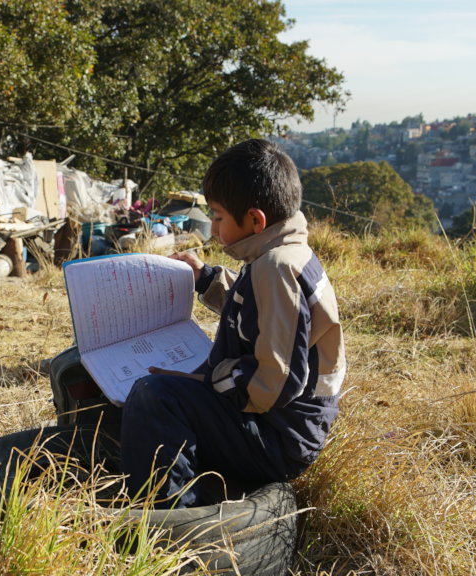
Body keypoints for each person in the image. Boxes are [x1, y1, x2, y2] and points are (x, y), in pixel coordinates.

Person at [119, 139, 346, 508]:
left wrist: (207, 379)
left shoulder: (276, 270)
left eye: (219, 217)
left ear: (255, 220)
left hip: (280, 437)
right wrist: (206, 278)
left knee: (154, 398)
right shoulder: (278, 254)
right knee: (159, 392)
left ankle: (168, 519)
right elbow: (258, 314)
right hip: (278, 423)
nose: (213, 227)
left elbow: (276, 382)